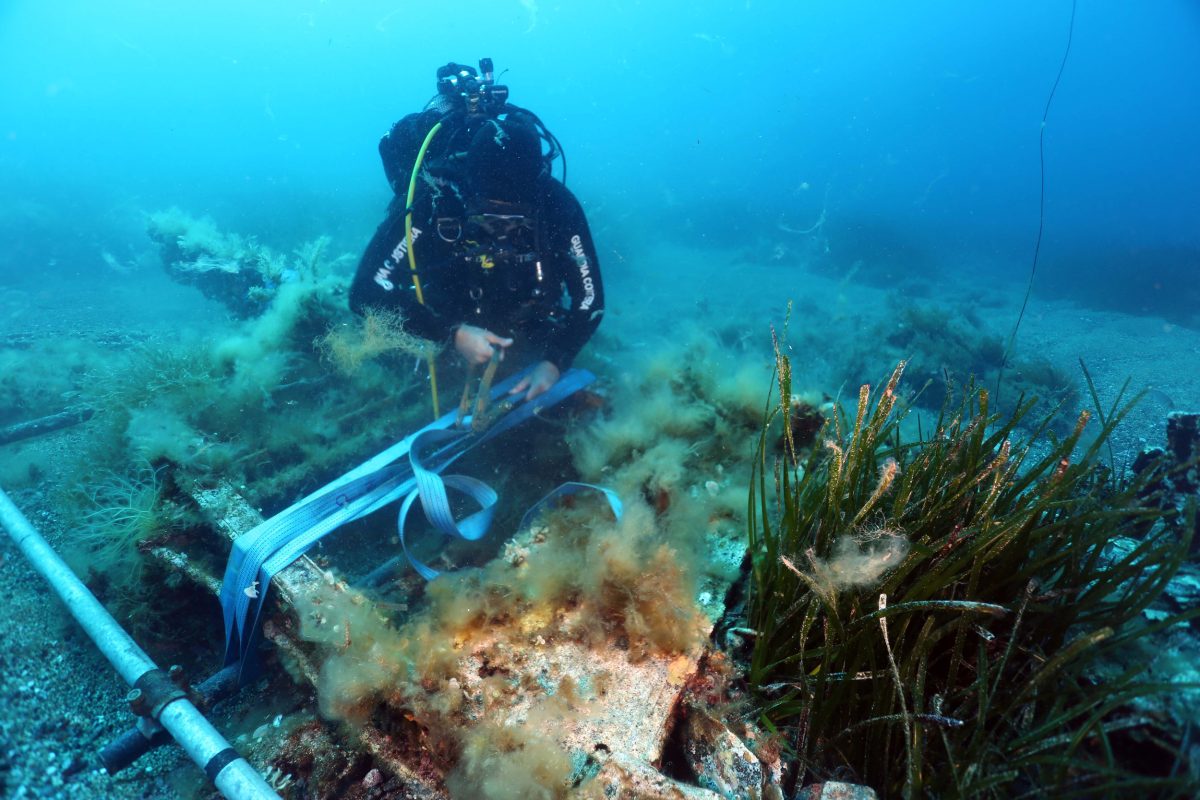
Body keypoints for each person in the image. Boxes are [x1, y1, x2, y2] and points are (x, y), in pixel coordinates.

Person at [349, 59, 604, 402]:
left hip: (527, 320)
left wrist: (556, 362)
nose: (501, 231)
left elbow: (590, 299)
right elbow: (366, 291)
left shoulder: (556, 204)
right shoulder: (435, 198)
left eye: (515, 218)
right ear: (468, 193)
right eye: (488, 217)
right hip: (447, 318)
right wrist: (450, 334)